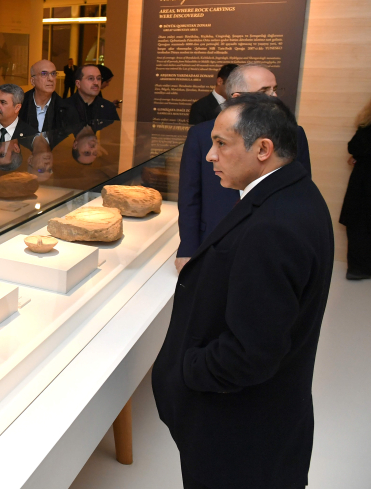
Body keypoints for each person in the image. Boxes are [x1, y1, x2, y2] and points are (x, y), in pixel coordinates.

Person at [153, 93, 334, 489]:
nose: (209, 156)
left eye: (221, 144)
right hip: (265, 426)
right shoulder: (294, 193)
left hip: (240, 439)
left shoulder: (273, 226)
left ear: (263, 149)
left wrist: (187, 370)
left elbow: (251, 354)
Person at [176, 64, 311, 271]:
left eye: (275, 89)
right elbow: (190, 194)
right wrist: (187, 248)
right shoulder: (201, 135)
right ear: (237, 97)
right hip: (214, 237)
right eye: (264, 91)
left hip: (270, 243)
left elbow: (301, 192)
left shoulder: (294, 134)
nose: (274, 96)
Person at [340, 97, 371, 280]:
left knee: (358, 223)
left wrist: (359, 157)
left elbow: (355, 146)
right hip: (364, 180)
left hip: (362, 182)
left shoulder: (366, 125)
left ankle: (358, 269)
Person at [20, 59, 64, 133]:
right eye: (44, 74)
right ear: (32, 81)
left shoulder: (65, 108)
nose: (51, 79)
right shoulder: (19, 104)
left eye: (53, 74)